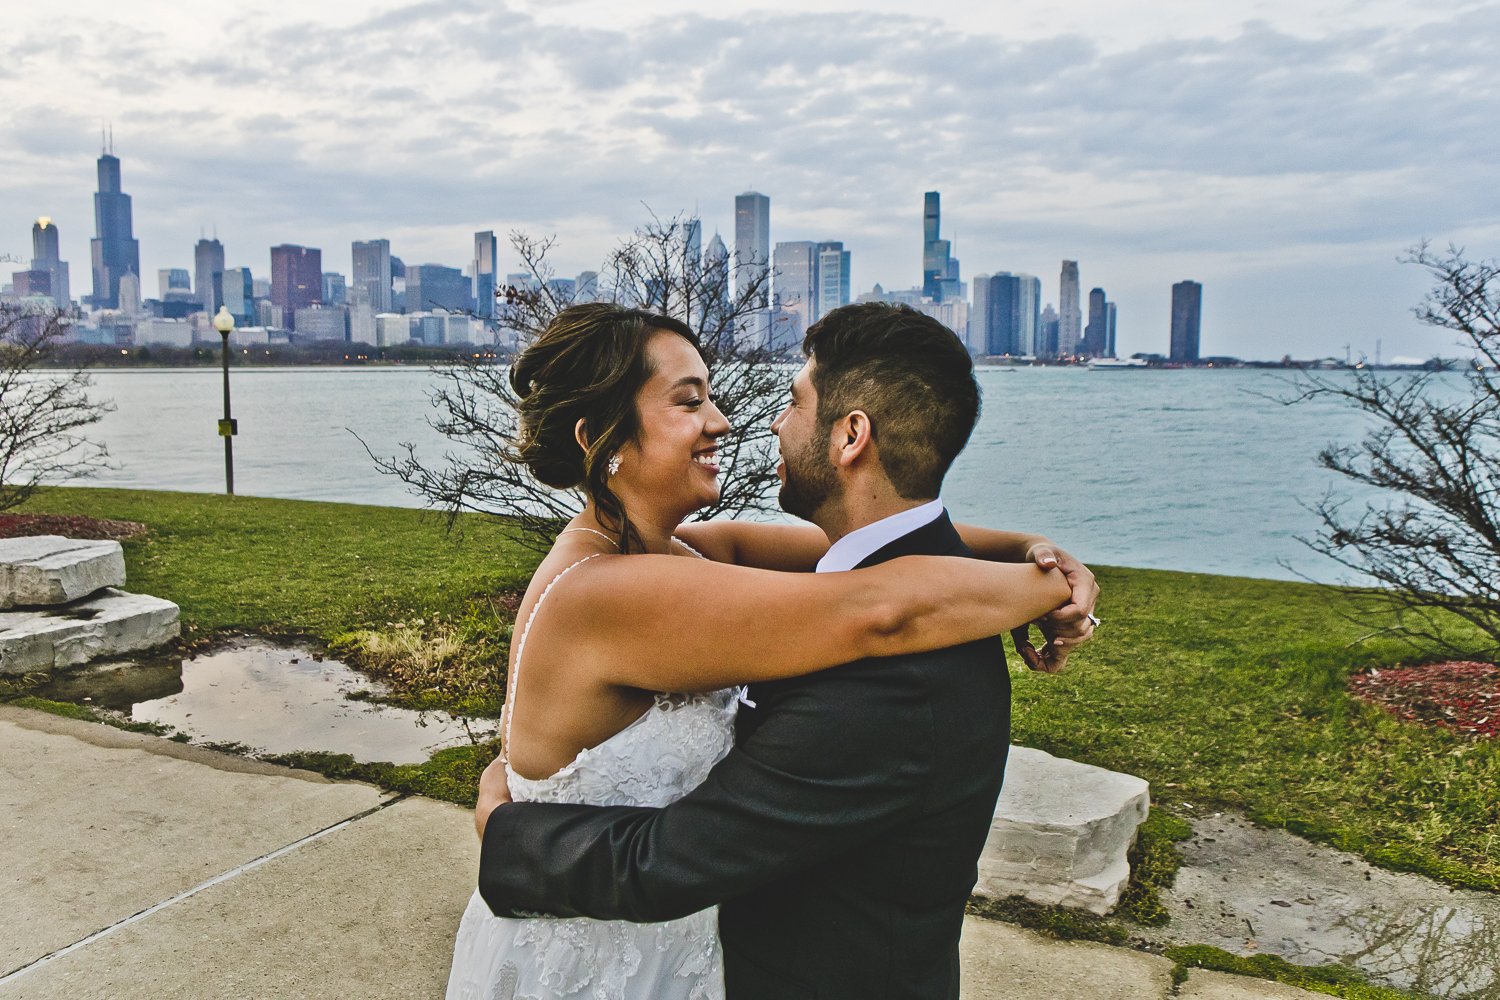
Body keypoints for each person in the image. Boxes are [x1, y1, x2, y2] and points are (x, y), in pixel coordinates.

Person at [447, 302, 1098, 1000]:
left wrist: (1036, 552)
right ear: (600, 437)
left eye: (717, 397)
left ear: (850, 438)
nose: (726, 420)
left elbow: (853, 552)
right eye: (690, 400)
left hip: (670, 945)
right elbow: (879, 609)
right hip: (593, 953)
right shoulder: (607, 592)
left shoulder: (679, 552)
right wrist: (1043, 585)